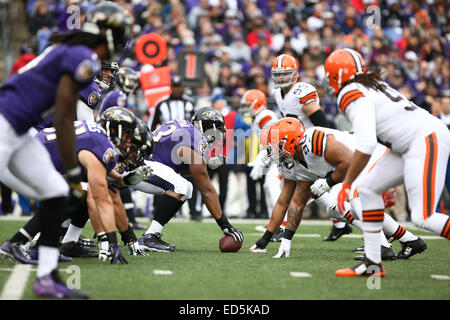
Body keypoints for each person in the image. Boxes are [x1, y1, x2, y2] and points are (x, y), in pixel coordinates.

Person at [0, 1, 132, 299]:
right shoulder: (83, 57)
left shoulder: (72, 50)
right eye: (120, 34)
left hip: (19, 130)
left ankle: (47, 277)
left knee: (57, 191)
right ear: (107, 35)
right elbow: (62, 116)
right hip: (4, 124)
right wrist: (74, 169)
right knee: (63, 187)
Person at [323, 48, 450, 277]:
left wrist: (347, 183)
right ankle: (372, 263)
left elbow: (366, 144)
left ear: (339, 75)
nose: (328, 81)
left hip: (424, 139)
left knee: (423, 216)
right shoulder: (369, 84)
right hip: (408, 144)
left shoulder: (350, 92)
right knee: (367, 190)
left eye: (330, 75)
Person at [251, 118, 425, 262]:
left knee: (354, 197)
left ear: (290, 141)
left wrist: (328, 182)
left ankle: (382, 248)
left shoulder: (313, 141)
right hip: (354, 166)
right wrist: (272, 239)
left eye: (275, 145)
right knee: (339, 206)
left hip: (371, 155)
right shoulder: (291, 165)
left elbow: (349, 162)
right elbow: (291, 203)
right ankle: (410, 240)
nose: (271, 151)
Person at [136, 108, 244, 252]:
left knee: (186, 188)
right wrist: (225, 225)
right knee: (181, 187)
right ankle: (149, 237)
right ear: (206, 126)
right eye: (217, 130)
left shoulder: (186, 129)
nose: (218, 136)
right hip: (140, 166)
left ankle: (151, 235)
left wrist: (205, 164)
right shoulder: (195, 137)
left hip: (144, 164)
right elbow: (206, 189)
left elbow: (176, 165)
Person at [270, 53, 352, 241]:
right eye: (278, 74)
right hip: (297, 148)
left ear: (295, 74)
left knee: (305, 189)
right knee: (310, 188)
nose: (281, 78)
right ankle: (340, 224)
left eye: (285, 74)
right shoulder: (277, 93)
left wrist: (327, 146)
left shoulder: (302, 91)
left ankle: (282, 228)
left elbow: (320, 121)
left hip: (314, 147)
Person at [147, 74, 200, 220]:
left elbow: (196, 124)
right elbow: (151, 125)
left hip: (186, 145)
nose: (177, 90)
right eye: (175, 87)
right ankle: (158, 210)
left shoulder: (190, 103)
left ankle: (194, 211)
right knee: (163, 176)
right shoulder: (161, 103)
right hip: (166, 146)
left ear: (182, 87)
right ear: (171, 87)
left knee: (191, 175)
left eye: (179, 87)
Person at [239, 89, 284, 239]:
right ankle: (275, 221)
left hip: (285, 154)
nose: (245, 109)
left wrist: (259, 162)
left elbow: (272, 142)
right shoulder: (257, 117)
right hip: (277, 154)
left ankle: (281, 224)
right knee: (268, 185)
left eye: (247, 105)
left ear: (257, 104)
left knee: (271, 183)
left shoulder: (265, 116)